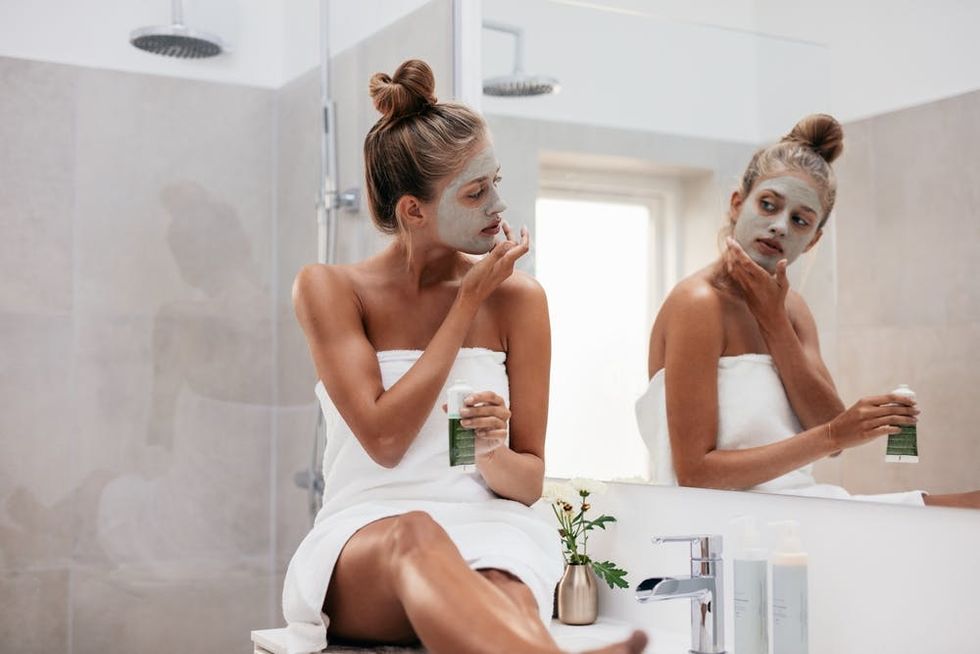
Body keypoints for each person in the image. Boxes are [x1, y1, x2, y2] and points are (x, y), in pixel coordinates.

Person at [282, 60, 647, 654]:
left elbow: (527, 483)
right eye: (476, 192)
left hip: (490, 529)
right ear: (413, 211)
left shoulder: (521, 300)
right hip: (368, 537)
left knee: (507, 588)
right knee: (416, 534)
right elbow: (384, 440)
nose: (498, 205)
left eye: (494, 182)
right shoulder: (329, 289)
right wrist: (467, 301)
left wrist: (492, 453)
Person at [636, 113, 979, 508]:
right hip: (721, 526)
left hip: (801, 512)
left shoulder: (793, 310)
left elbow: (828, 428)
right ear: (736, 204)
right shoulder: (698, 303)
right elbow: (697, 474)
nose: (780, 226)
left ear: (812, 241)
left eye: (799, 220)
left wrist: (774, 320)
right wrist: (835, 434)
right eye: (768, 205)